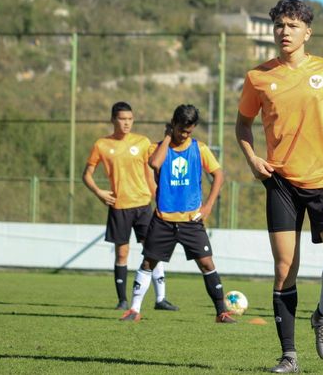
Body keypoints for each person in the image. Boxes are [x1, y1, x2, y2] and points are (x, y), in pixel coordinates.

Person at [235, 0, 323, 373]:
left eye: (292, 26)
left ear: (308, 32)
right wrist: (252, 157)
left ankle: (321, 316)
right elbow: (242, 125)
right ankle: (289, 355)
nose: (284, 32)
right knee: (284, 266)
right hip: (281, 182)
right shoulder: (258, 77)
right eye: (279, 25)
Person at [119, 104, 235, 324]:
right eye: (181, 129)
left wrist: (208, 206)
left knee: (207, 264)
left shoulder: (199, 148)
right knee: (148, 263)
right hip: (163, 220)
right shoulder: (158, 148)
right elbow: (154, 163)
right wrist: (166, 138)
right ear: (173, 125)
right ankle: (134, 310)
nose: (184, 135)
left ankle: (222, 312)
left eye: (189, 131)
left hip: (191, 220)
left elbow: (218, 175)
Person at [82, 101, 178, 311]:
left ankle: (161, 298)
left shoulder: (142, 142)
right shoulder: (102, 145)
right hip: (119, 206)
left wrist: (159, 200)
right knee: (122, 254)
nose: (126, 123)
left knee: (153, 251)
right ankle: (122, 300)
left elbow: (150, 173)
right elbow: (86, 175)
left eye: (130, 119)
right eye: (122, 119)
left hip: (143, 205)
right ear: (113, 120)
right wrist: (99, 192)